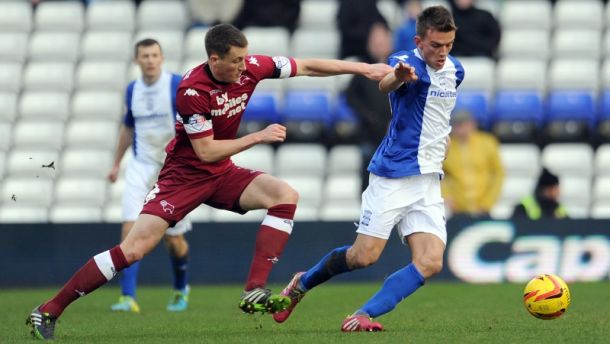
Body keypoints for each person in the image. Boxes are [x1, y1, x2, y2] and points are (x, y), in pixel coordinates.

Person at [26, 23, 392, 340]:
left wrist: (362, 68)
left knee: (285, 195)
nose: (242, 67)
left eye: (243, 59)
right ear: (214, 60)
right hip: (183, 177)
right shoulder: (191, 91)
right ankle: (49, 309)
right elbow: (205, 152)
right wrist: (256, 136)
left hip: (220, 174)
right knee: (133, 249)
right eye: (234, 61)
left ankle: (254, 289)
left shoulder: (250, 67)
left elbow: (308, 66)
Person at [273, 5, 463, 332]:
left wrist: (441, 142)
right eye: (435, 45)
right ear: (419, 40)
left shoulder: (456, 70)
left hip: (428, 180)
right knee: (364, 257)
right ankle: (301, 284)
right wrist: (398, 78)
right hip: (392, 177)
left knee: (430, 262)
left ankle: (364, 314)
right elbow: (387, 83)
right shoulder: (405, 63)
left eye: (448, 44)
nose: (442, 52)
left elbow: (436, 113)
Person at [106, 39, 192, 314]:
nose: (150, 60)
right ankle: (127, 297)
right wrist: (116, 163)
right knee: (129, 230)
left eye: (155, 55)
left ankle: (181, 287)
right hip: (140, 166)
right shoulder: (133, 90)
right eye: (145, 56)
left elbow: (193, 125)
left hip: (173, 170)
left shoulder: (175, 85)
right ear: (136, 60)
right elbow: (127, 128)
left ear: (162, 58)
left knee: (173, 240)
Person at [345, 23, 393, 191]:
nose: (378, 44)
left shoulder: (399, 68)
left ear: (390, 41)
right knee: (369, 179)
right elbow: (350, 97)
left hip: (395, 135)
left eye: (382, 40)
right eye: (374, 41)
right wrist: (369, 116)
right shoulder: (363, 69)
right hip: (370, 135)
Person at [441, 110, 504, 218]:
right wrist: (447, 196)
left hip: (484, 207)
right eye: (455, 125)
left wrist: (488, 202)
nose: (459, 129)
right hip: (457, 209)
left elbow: (498, 174)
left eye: (462, 124)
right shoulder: (446, 145)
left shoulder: (487, 142)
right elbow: (440, 175)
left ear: (472, 124)